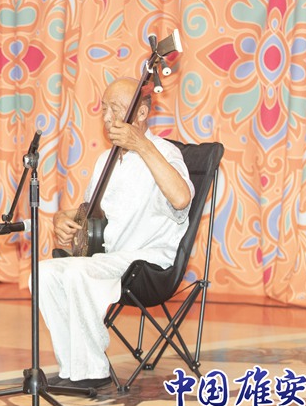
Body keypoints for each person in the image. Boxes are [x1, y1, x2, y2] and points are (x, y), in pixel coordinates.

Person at [33, 77, 194, 389]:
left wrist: (142, 145)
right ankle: (73, 368)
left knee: (78, 273)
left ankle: (93, 370)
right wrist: (63, 219)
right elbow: (92, 212)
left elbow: (181, 199)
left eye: (115, 109)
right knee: (43, 273)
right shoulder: (105, 160)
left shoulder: (165, 152)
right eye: (104, 109)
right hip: (110, 259)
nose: (107, 118)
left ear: (142, 114)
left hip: (148, 263)